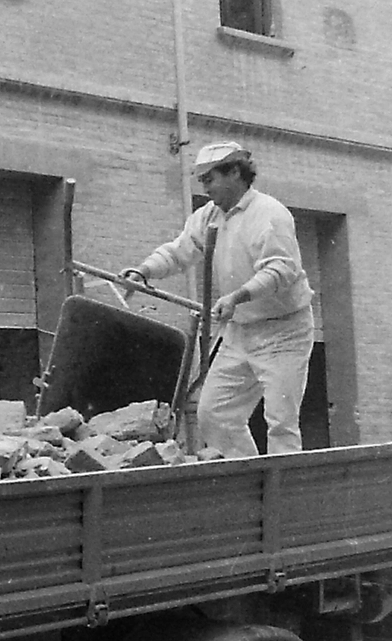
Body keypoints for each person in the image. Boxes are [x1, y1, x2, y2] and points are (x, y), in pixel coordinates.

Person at [119, 142, 315, 457]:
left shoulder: (270, 214)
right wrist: (144, 271)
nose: (204, 187)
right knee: (215, 413)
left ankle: (284, 496)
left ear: (235, 172)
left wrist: (237, 296)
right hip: (240, 331)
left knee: (281, 422)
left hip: (284, 332)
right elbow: (179, 251)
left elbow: (281, 270)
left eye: (209, 178)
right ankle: (247, 482)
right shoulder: (208, 217)